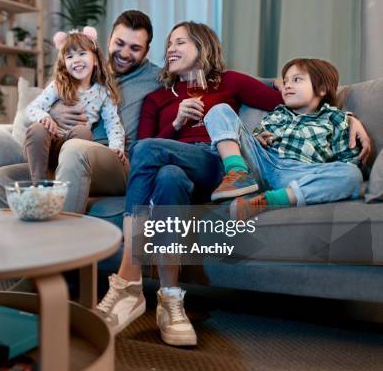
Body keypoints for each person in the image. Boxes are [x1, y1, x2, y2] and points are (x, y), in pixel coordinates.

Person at [92, 21, 371, 347]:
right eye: (169, 43)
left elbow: (288, 101)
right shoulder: (156, 99)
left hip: (214, 161)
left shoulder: (229, 81)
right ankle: (170, 300)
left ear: (203, 45)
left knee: (179, 142)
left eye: (180, 41)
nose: (171, 48)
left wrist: (347, 117)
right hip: (175, 167)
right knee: (164, 171)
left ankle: (129, 279)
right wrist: (178, 121)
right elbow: (146, 150)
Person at [0, 10, 161, 212]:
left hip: (112, 159)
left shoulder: (158, 79)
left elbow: (113, 122)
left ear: (147, 50)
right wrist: (52, 114)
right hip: (62, 149)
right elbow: (42, 105)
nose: (125, 53)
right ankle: (21, 238)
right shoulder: (80, 68)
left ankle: (63, 237)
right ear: (108, 40)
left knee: (76, 147)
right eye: (119, 43)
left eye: (135, 48)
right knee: (2, 177)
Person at [203, 58, 363, 219]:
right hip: (261, 162)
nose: (287, 85)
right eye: (286, 81)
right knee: (219, 110)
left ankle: (267, 201)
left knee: (351, 174)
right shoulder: (278, 112)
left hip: (296, 172)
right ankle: (237, 173)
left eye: (297, 80)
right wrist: (259, 137)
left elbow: (348, 160)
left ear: (321, 89)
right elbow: (257, 137)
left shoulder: (335, 119)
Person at [24, 27, 125, 181]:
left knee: (83, 131)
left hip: (72, 150)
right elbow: (32, 108)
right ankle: (39, 186)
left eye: (82, 53)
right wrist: (45, 117)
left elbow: (113, 124)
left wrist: (116, 147)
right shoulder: (58, 85)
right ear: (64, 63)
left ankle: (67, 181)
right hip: (47, 144)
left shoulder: (102, 92)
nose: (76, 60)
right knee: (38, 128)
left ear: (96, 60)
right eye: (70, 56)